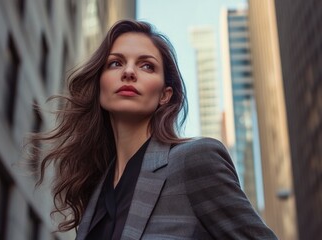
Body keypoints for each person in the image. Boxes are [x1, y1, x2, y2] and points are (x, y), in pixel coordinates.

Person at [32, 19, 278, 239]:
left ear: (164, 95)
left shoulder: (195, 161)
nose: (129, 72)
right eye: (116, 63)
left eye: (147, 66)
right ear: (99, 86)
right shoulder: (95, 192)